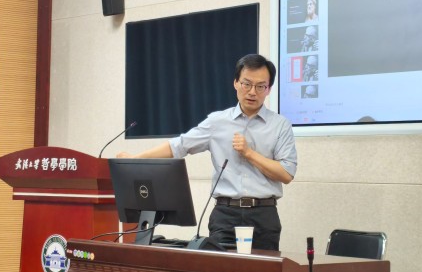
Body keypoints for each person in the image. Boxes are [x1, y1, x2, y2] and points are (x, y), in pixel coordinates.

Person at [117, 54, 297, 251]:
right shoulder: (217, 122)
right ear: (235, 83)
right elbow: (179, 145)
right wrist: (135, 159)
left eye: (260, 86)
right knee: (219, 270)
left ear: (269, 89)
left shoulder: (280, 125)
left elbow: (286, 174)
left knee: (264, 270)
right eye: (247, 84)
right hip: (225, 214)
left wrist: (249, 153)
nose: (252, 92)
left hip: (264, 214)